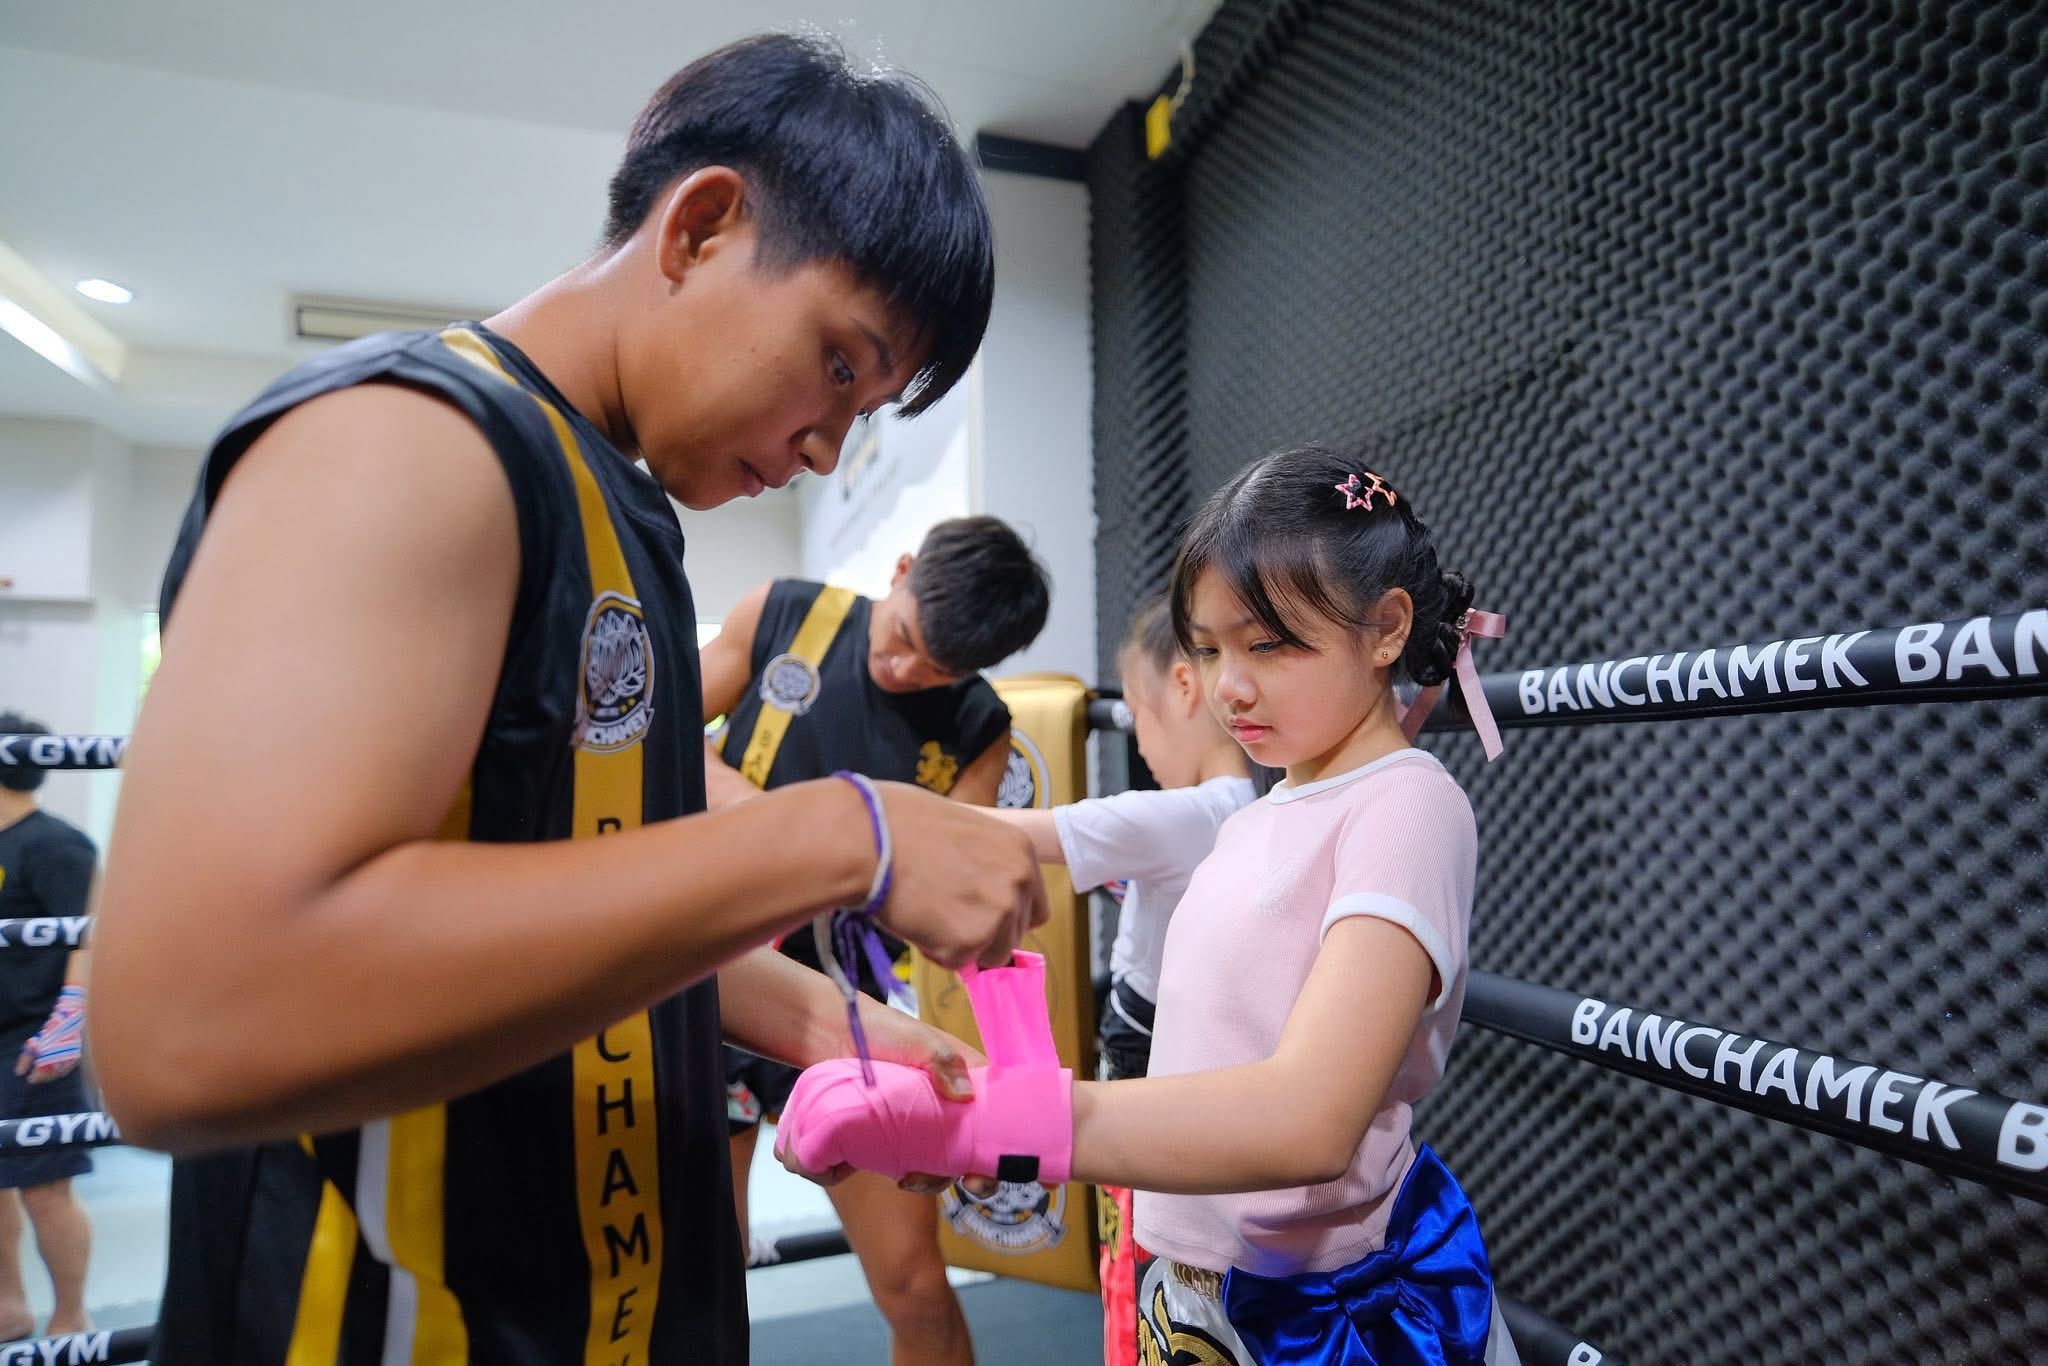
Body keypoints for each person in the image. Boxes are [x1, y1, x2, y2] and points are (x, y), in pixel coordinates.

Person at [88, 34, 1048, 1365]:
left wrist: (842, 1023)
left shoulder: (623, 517)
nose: (830, 449)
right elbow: (182, 1028)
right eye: (839, 364)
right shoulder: (408, 441)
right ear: (700, 228)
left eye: (865, 409)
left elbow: (586, 877)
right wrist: (842, 831)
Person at [777, 446, 1520, 1363]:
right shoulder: (1262, 811)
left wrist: (991, 1125)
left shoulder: (1405, 803)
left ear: (1386, 628)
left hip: (1324, 1306)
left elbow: (1309, 1120)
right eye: (1208, 649)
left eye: (1267, 645)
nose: (1227, 687)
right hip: (1199, 1279)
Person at [702, 515, 1048, 1364]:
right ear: (900, 570)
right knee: (701, 1283)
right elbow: (658, 743)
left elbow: (942, 897)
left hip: (848, 1012)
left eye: (937, 668)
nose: (904, 670)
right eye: (902, 639)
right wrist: (795, 829)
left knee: (915, 1285)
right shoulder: (783, 613)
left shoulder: (978, 724)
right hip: (707, 977)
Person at [983, 595, 1255, 1365]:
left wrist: (858, 815)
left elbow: (1007, 833)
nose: (1139, 739)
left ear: (1184, 687)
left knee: (1148, 1278)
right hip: (1175, 1066)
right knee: (1160, 1281)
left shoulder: (1191, 814)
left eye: (1137, 717)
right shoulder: (1241, 807)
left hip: (1150, 1071)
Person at [0, 713, 95, 1342]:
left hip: (35, 1040)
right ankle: (9, 1307)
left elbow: (91, 934)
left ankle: (71, 1316)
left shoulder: (56, 844)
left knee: (43, 1190)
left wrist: (70, 1018)